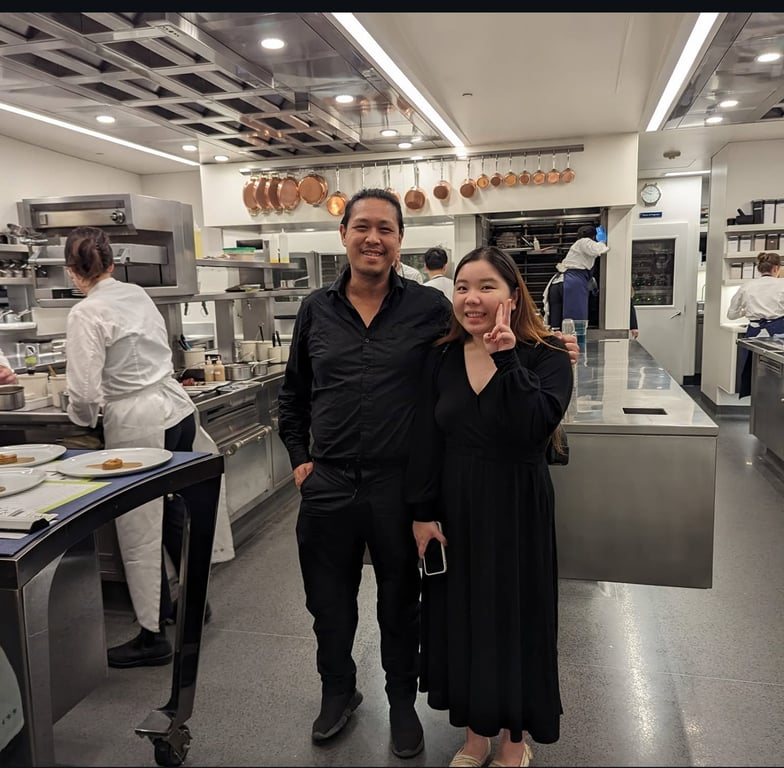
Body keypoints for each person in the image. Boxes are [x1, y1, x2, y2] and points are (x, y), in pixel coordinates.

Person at [279, 189, 580, 759]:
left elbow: (486, 328)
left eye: (385, 229)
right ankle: (337, 691)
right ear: (343, 234)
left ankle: (400, 705)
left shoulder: (427, 309)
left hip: (397, 483)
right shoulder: (315, 310)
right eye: (362, 227)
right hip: (330, 482)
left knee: (402, 603)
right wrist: (300, 460)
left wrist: (549, 343)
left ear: (400, 241)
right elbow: (293, 393)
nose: (373, 238)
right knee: (328, 602)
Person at [404, 246, 574, 768]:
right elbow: (426, 438)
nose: (471, 298)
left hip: (517, 506)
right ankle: (476, 736)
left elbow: (536, 426)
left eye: (486, 287)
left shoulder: (547, 354)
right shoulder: (441, 356)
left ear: (512, 295)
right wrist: (421, 512)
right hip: (456, 507)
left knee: (516, 618)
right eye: (462, 287)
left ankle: (514, 744)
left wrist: (506, 357)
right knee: (465, 618)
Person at [63, 226, 213, 668]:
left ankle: (152, 635)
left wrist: (84, 420)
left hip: (139, 423)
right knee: (173, 512)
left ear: (72, 271)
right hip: (176, 412)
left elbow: (84, 392)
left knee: (139, 528)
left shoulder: (86, 312)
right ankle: (192, 603)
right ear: (112, 263)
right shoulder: (137, 294)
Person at [727, 251, 784, 397]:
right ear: (776, 268)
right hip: (779, 336)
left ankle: (757, 402)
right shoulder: (782, 284)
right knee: (778, 373)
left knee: (754, 372)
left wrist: (744, 313)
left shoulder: (747, 286)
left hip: (754, 335)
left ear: (759, 269)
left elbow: (731, 315)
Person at [543, 224, 609, 329]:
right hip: (572, 282)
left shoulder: (575, 246)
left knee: (556, 325)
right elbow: (599, 250)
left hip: (558, 283)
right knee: (575, 324)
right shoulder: (584, 241)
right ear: (593, 236)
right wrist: (602, 241)